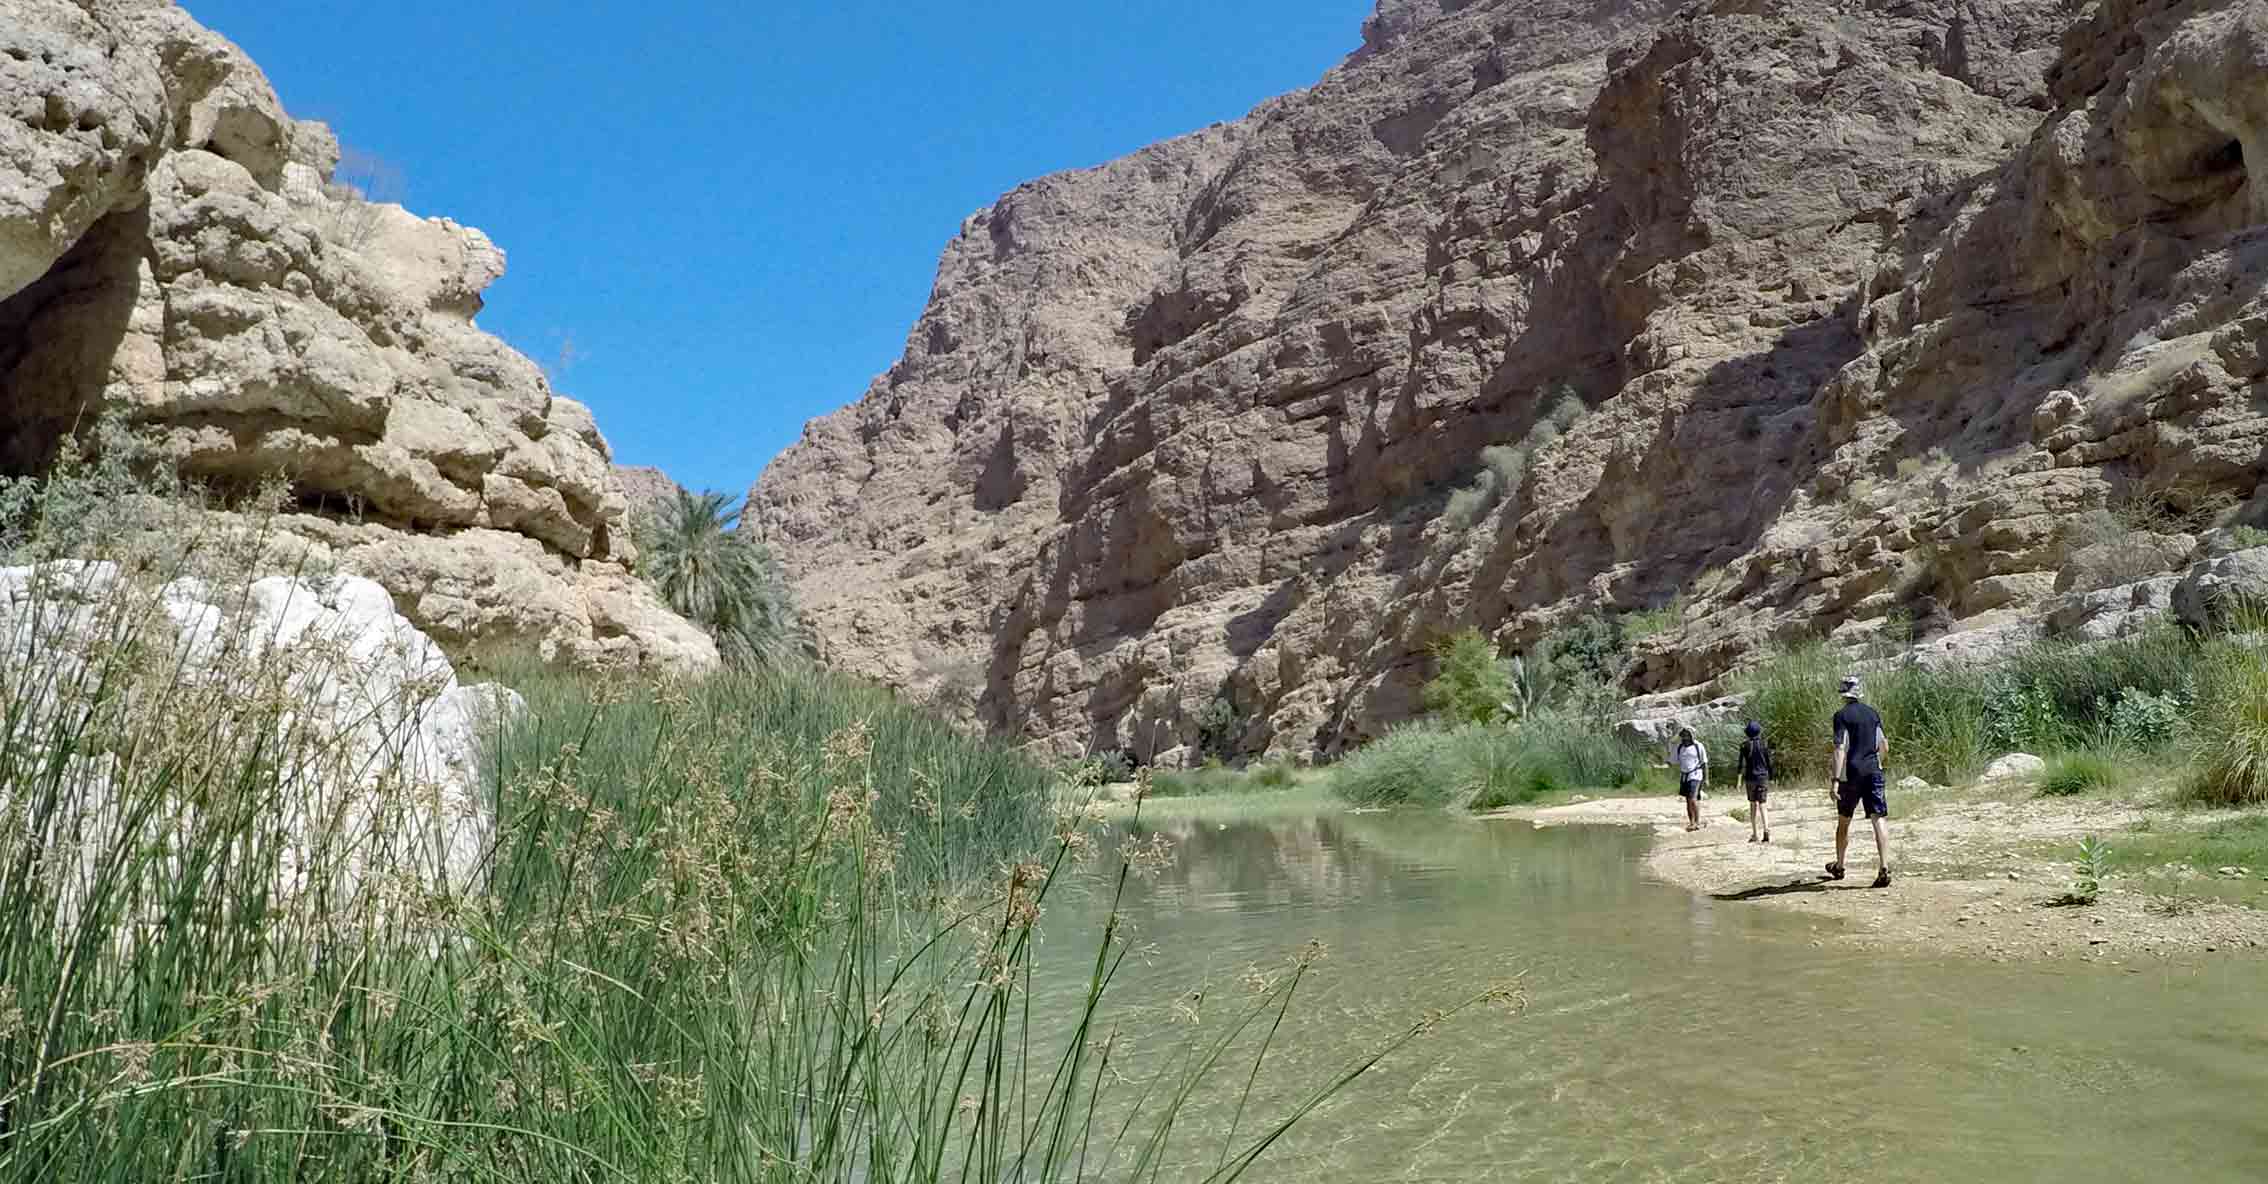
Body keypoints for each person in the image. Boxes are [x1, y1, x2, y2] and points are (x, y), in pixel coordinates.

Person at [1825, 675, 1892, 887]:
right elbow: (1884, 745)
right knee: (1878, 817)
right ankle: (1884, 866)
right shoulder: (1873, 714)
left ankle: (1840, 865)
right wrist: (1876, 764)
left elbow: (1840, 748)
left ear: (1843, 694)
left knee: (1844, 820)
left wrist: (1835, 780)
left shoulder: (1841, 716)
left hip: (1850, 774)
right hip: (1873, 770)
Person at [1739, 720, 1773, 843]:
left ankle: (1754, 834)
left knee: (1753, 804)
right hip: (1763, 777)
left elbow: (1740, 764)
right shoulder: (1764, 744)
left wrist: (1738, 780)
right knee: (1763, 804)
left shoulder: (1744, 745)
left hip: (1750, 778)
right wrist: (1772, 776)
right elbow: (1769, 762)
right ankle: (1766, 829)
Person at [1672, 726, 1708, 832]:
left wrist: (1706, 779)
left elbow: (1704, 763)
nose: (1686, 737)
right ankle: (1691, 822)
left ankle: (1697, 822)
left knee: (1693, 799)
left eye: (1688, 734)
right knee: (1688, 801)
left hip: (1696, 775)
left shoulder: (1698, 746)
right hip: (1684, 776)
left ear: (1691, 735)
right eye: (1683, 735)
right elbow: (1673, 758)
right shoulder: (1679, 747)